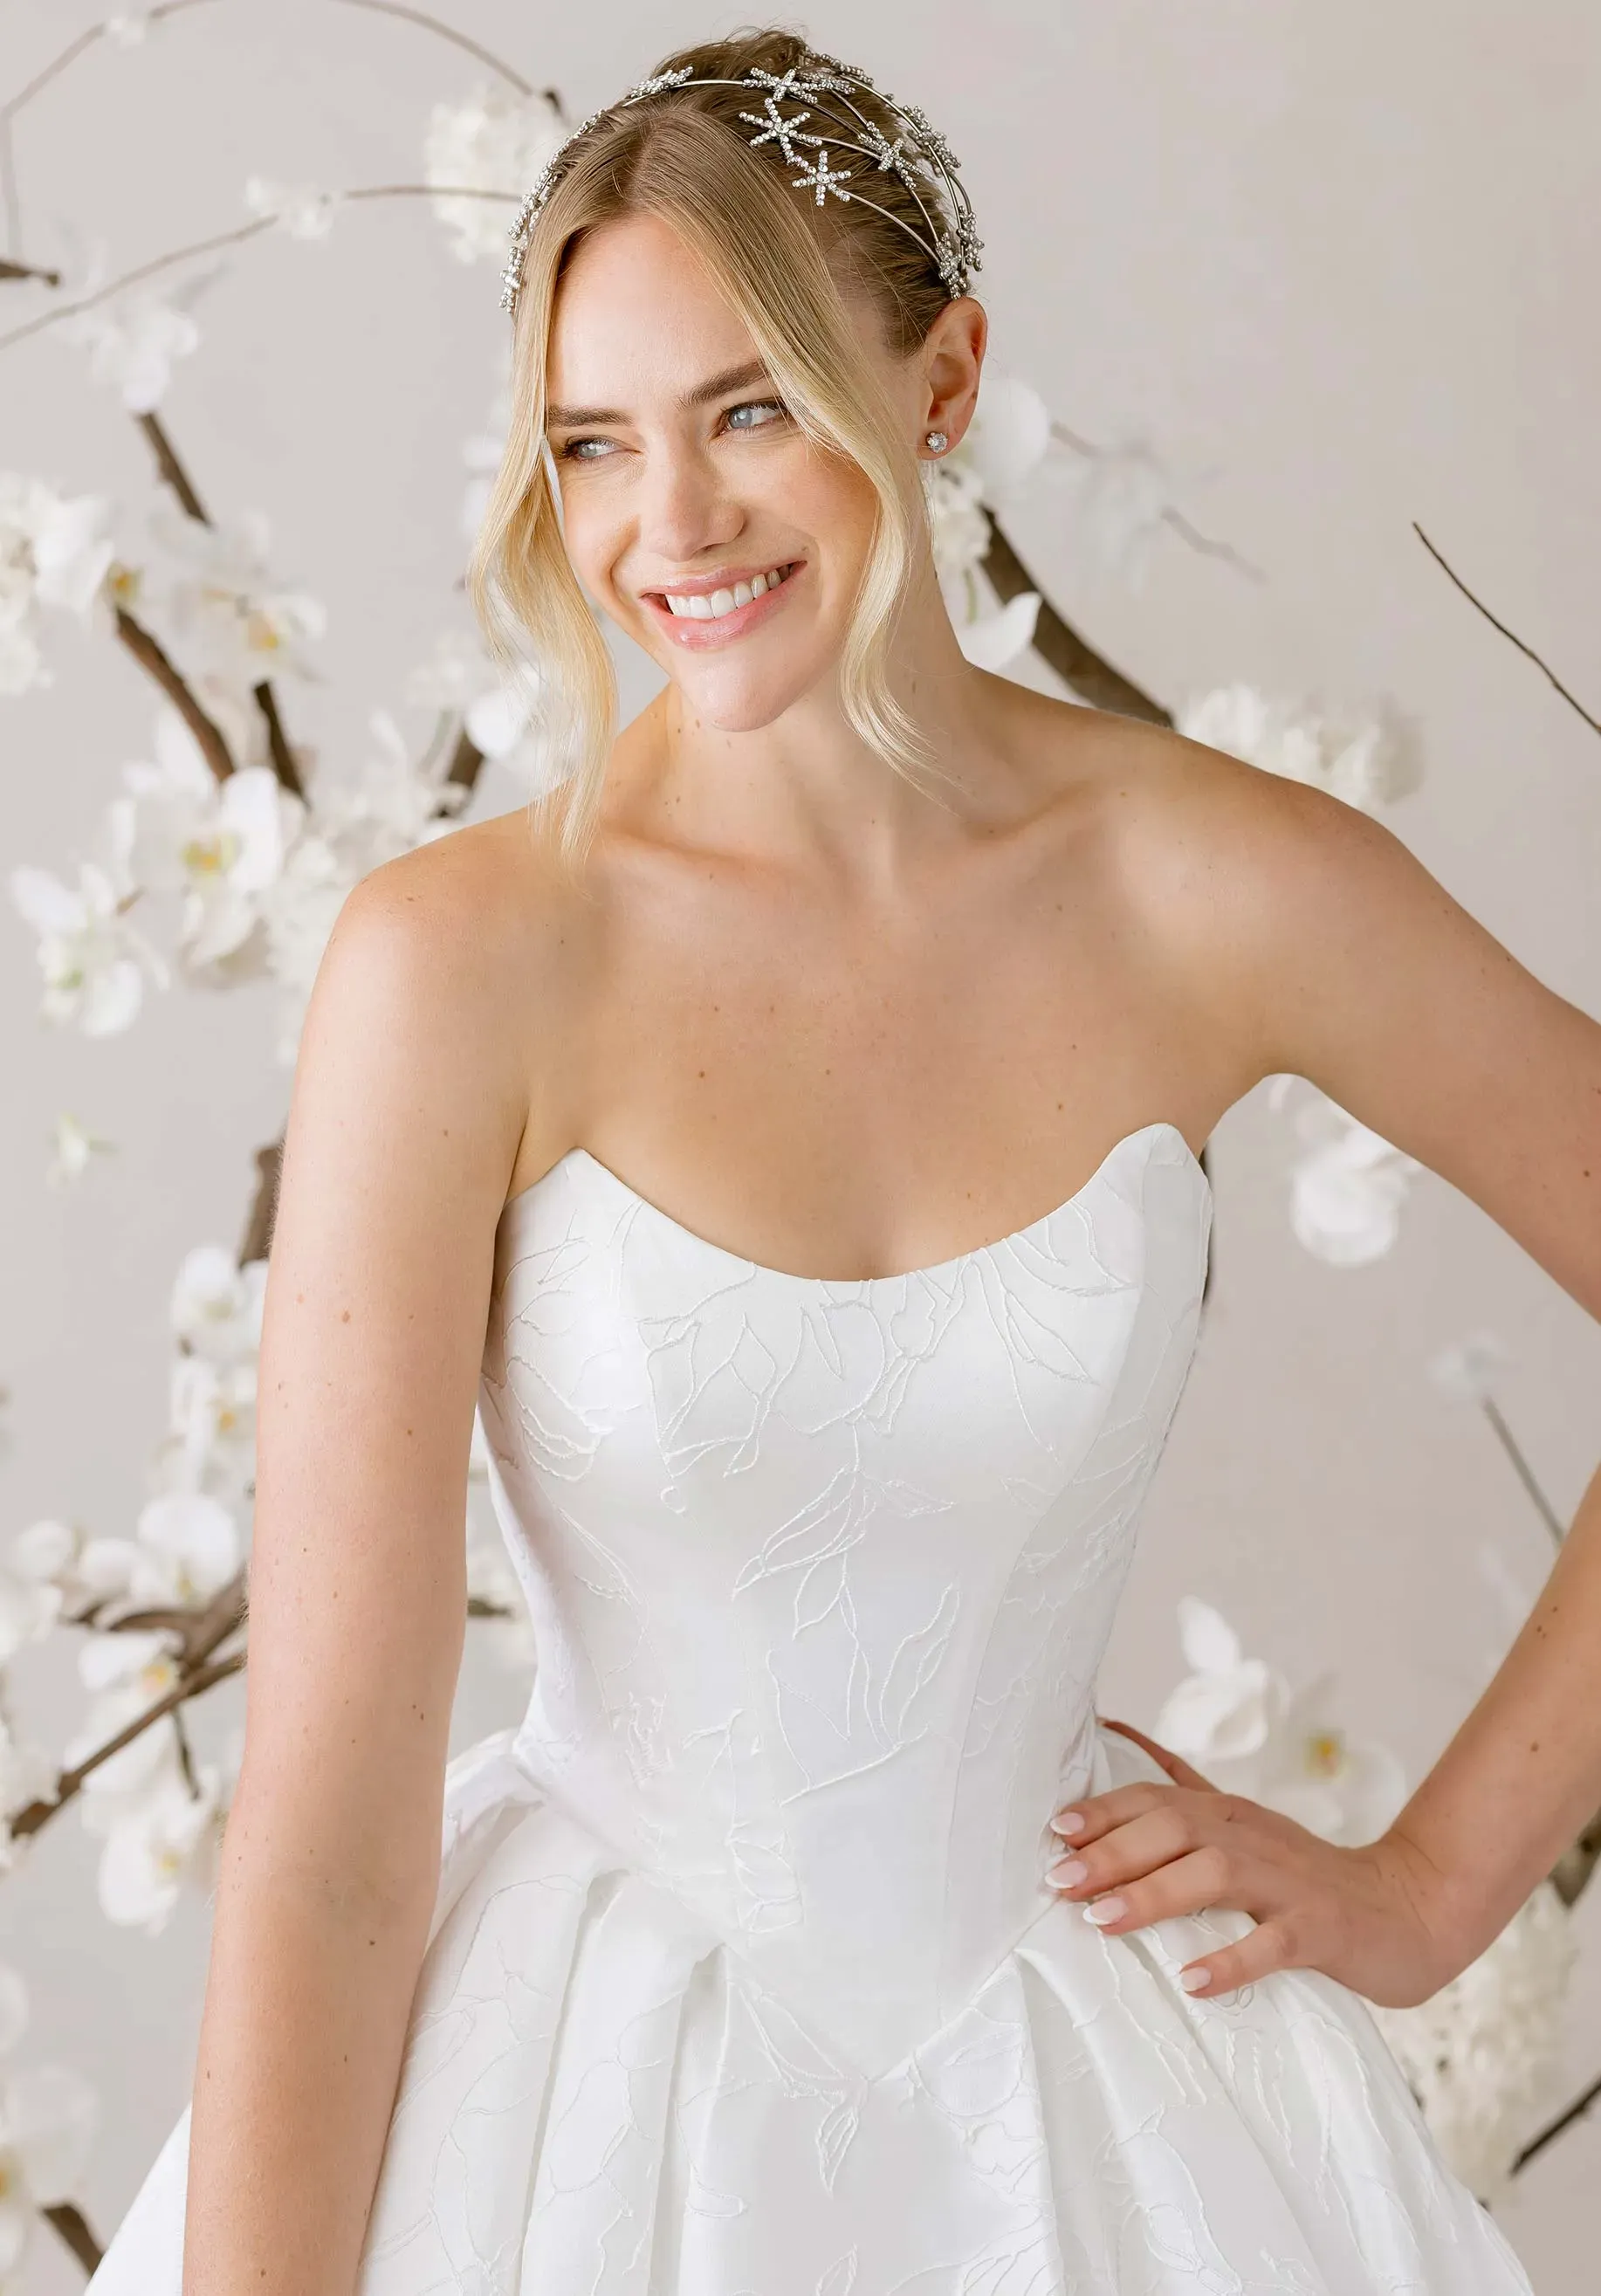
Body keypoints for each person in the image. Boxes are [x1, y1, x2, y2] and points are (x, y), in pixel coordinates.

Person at [87, 25, 1598, 2296]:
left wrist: (1433, 1885)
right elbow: (326, 1848)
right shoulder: (461, 965)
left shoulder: (1223, 886)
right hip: (574, 2119)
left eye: (752, 407)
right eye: (594, 441)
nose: (669, 526)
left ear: (944, 379)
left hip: (1106, 2102)